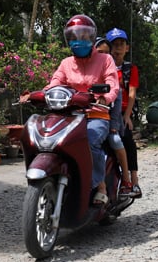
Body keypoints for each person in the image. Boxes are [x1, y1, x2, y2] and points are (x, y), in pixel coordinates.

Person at [20, 15, 119, 206]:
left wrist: (104, 97)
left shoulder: (105, 59)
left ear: (91, 38)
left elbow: (112, 84)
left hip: (95, 114)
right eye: (73, 37)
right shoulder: (66, 63)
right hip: (69, 115)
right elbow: (55, 83)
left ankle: (100, 187)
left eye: (83, 36)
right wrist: (37, 94)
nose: (78, 41)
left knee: (90, 140)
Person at [105, 27, 142, 198]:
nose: (117, 48)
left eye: (121, 44)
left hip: (122, 112)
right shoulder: (103, 67)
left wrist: (127, 116)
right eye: (114, 45)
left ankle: (133, 181)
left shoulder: (130, 69)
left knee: (127, 138)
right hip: (104, 109)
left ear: (127, 48)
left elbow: (132, 93)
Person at [94, 37, 133, 196]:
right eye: (99, 53)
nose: (103, 56)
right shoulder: (88, 73)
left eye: (106, 53)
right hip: (88, 119)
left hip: (110, 121)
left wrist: (114, 127)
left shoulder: (112, 77)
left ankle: (126, 178)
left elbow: (115, 104)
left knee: (115, 140)